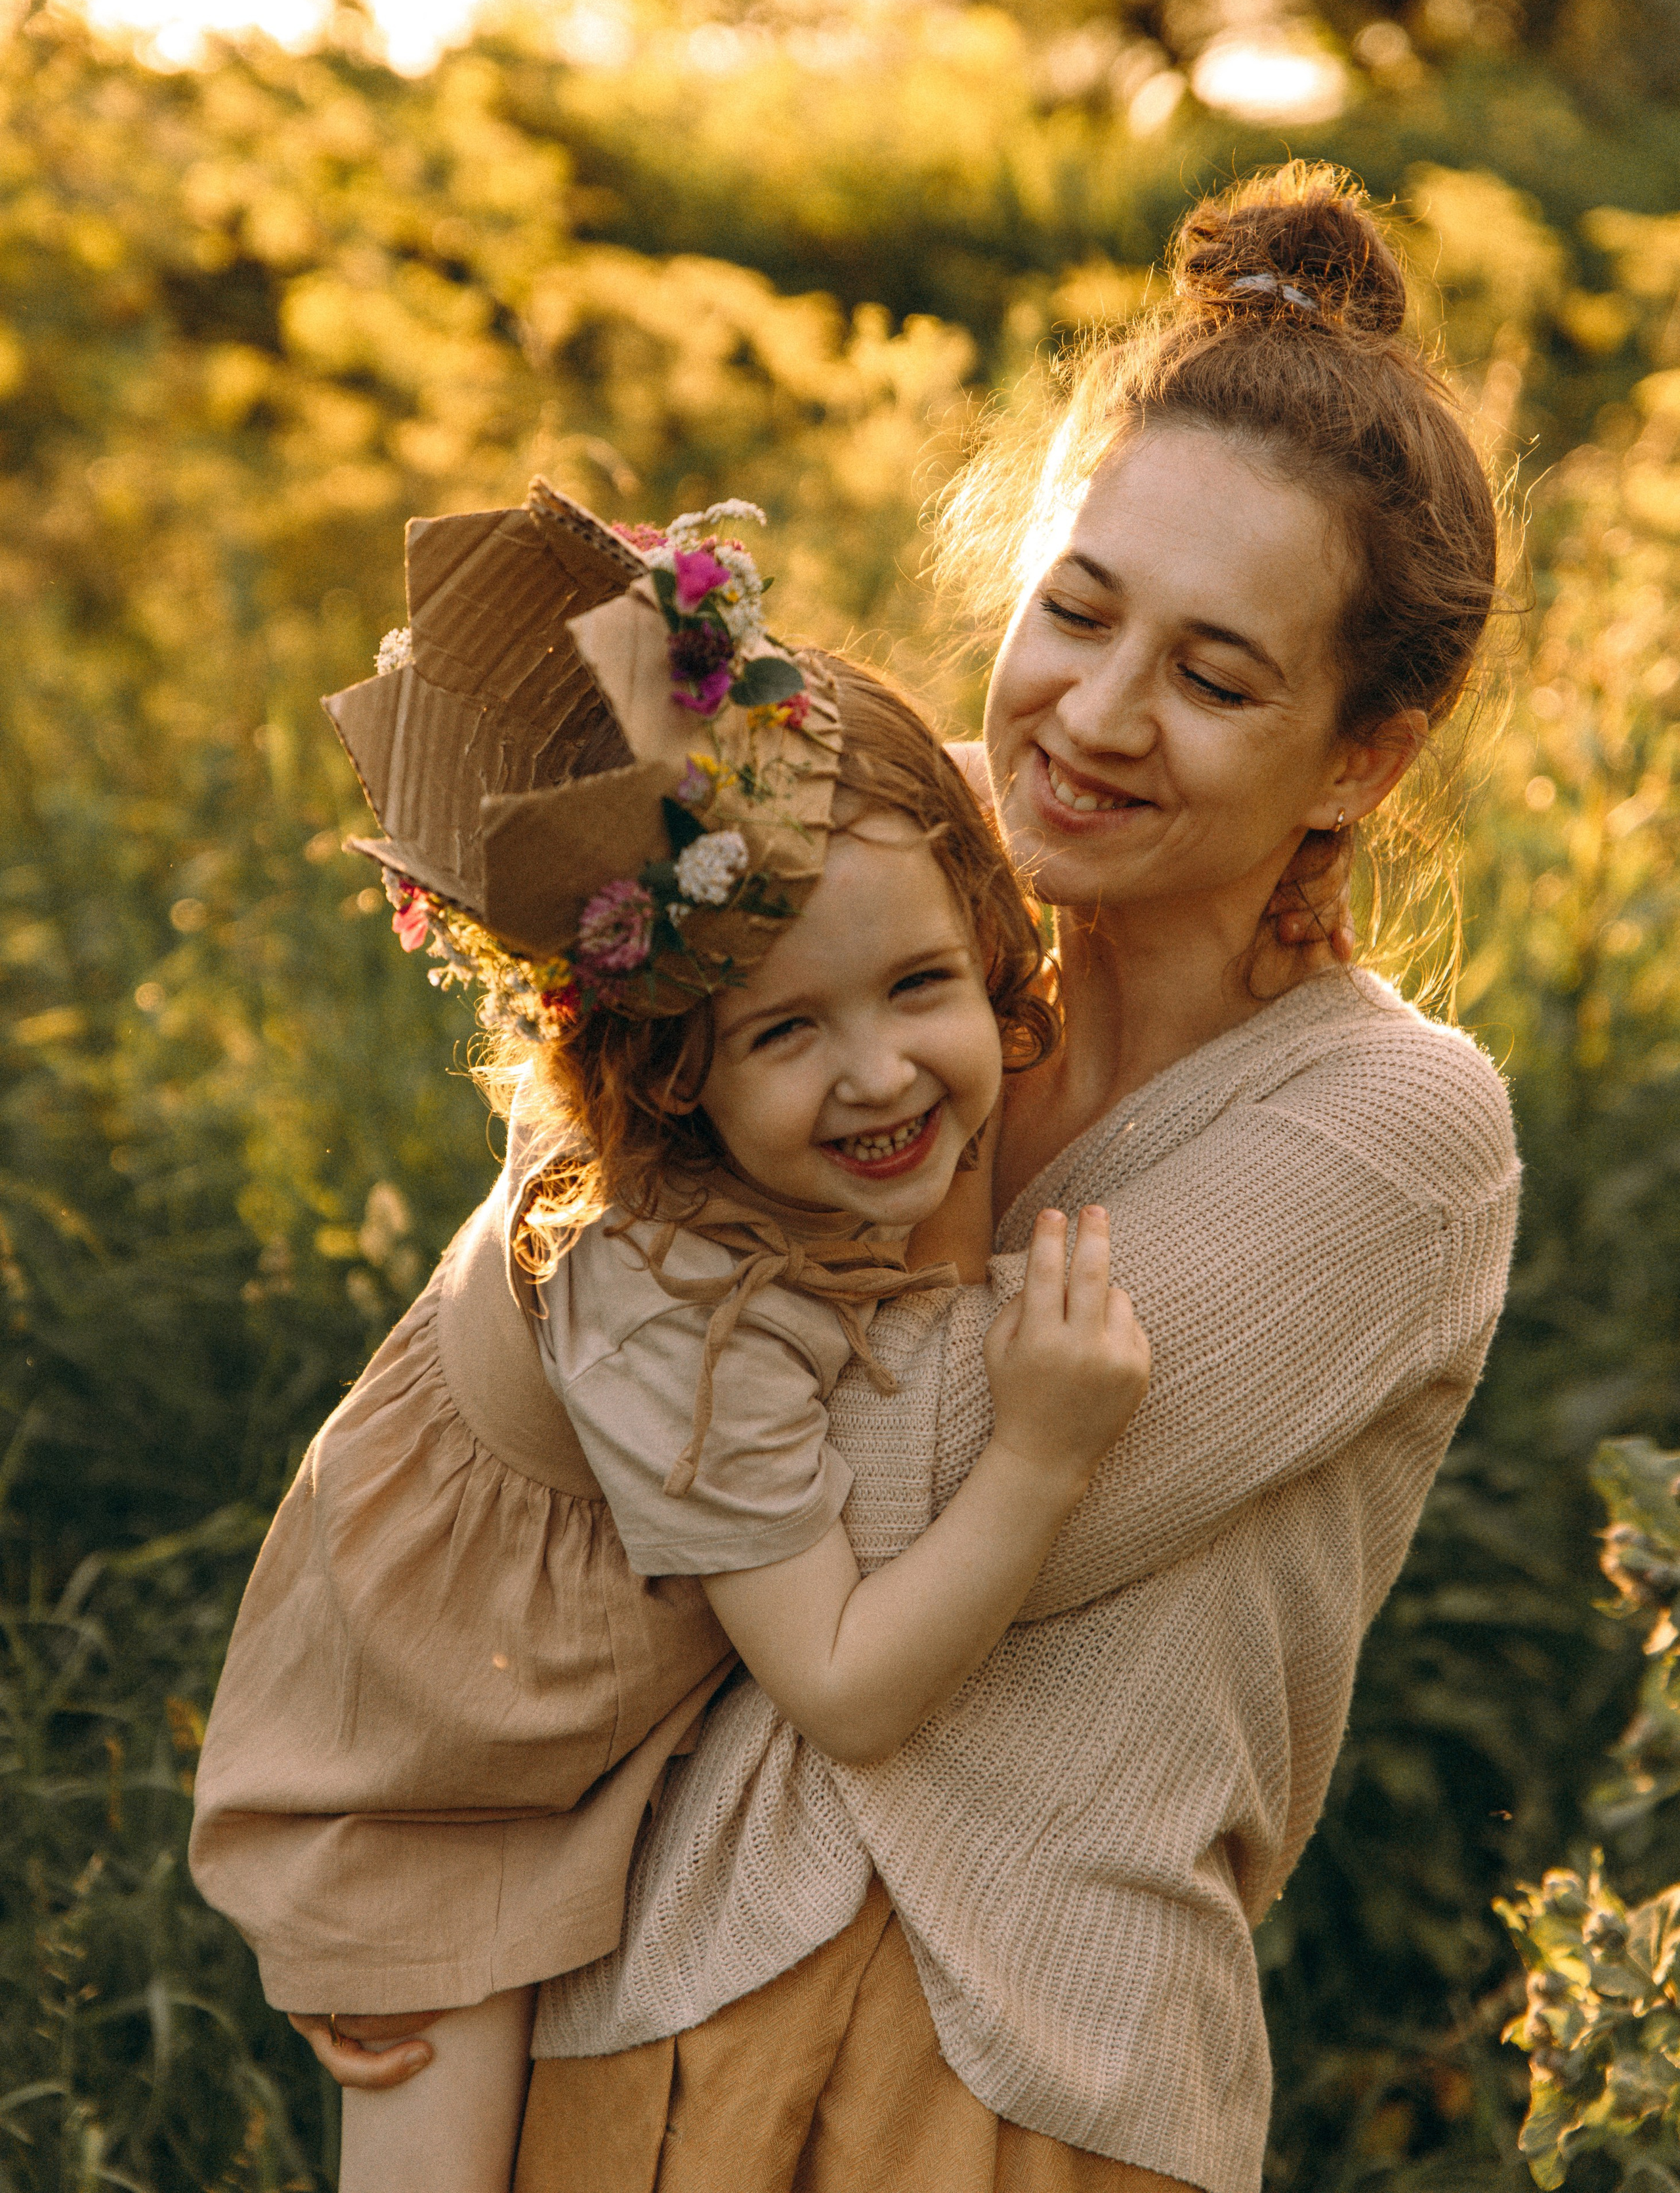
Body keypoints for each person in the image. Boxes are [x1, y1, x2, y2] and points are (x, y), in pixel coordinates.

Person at [452, 163, 1519, 2193]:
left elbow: (864, 1492)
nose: (1096, 717)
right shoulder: (875, 905)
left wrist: (684, 1195)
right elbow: (559, 1263)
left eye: (1216, 678)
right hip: (643, 2015)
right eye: (1078, 612)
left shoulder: (1397, 1133)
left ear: (1362, 758)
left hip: (1039, 2077)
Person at [190, 488, 1152, 2193]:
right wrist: (1039, 1457)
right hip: (445, 1752)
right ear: (672, 1068)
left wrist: (1285, 880)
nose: (879, 1072)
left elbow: (950, 806)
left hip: (627, 1690)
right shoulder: (659, 1294)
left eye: (922, 986)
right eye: (785, 1032)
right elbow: (846, 1688)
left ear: (984, 929)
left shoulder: (875, 893)